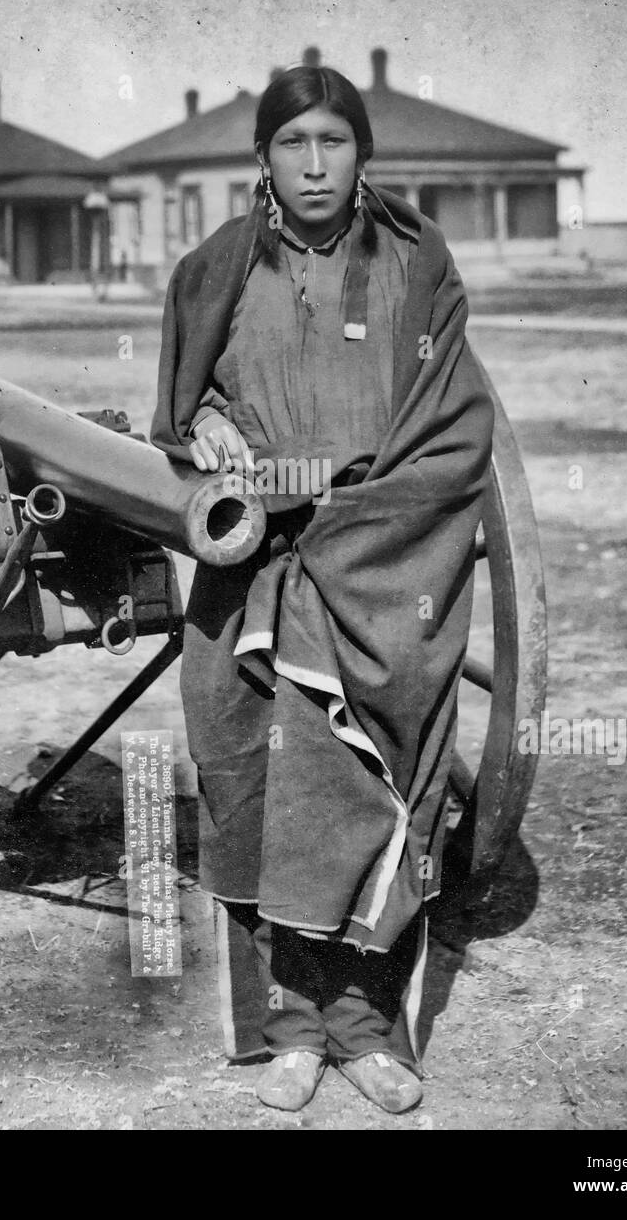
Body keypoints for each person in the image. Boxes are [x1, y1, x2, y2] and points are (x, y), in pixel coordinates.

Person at [150, 62, 494, 1113]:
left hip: (383, 565)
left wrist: (352, 515)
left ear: (362, 154)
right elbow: (181, 405)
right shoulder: (214, 269)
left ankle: (365, 1030)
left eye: (332, 142)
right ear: (260, 157)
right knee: (260, 784)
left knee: (379, 781)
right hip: (255, 567)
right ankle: (292, 1031)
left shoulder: (414, 264)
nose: (312, 163)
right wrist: (207, 427)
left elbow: (451, 427)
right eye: (290, 143)